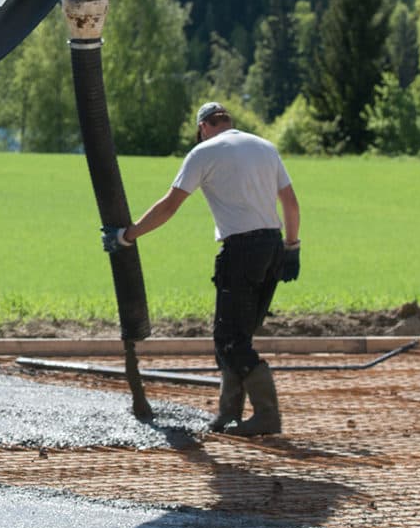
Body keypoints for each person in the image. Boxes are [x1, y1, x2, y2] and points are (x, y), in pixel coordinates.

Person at [106, 102, 300, 435]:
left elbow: (169, 206)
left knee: (229, 339)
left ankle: (267, 416)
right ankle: (229, 413)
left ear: (203, 127)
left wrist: (127, 235)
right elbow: (291, 203)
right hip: (273, 246)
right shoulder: (265, 147)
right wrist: (292, 247)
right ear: (228, 122)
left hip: (241, 250)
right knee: (239, 335)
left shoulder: (204, 152)